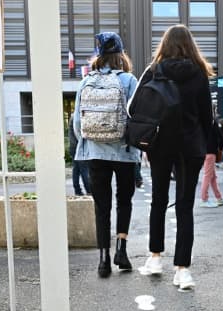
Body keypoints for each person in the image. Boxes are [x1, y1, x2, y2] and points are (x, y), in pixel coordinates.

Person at [135, 24, 214, 291]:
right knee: (184, 206)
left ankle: (155, 258)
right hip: (191, 146)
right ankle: (182, 271)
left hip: (159, 144)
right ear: (191, 45)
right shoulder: (199, 73)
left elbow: (137, 108)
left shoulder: (154, 71)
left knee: (158, 200)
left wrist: (144, 144)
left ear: (164, 45)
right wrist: (209, 148)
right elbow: (207, 117)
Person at [73, 32, 140, 277]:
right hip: (124, 152)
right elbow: (136, 118)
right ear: (121, 53)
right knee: (124, 201)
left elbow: (77, 124)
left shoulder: (86, 80)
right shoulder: (130, 80)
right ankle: (121, 250)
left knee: (102, 206)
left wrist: (90, 143)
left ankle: (103, 260)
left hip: (95, 153)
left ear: (99, 54)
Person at [199, 116, 223, 208]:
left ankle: (219, 198)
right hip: (211, 151)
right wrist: (221, 147)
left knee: (212, 176)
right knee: (208, 175)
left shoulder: (200, 121)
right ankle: (204, 199)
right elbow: (221, 136)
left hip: (203, 150)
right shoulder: (213, 122)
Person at [68, 115, 91, 196]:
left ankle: (77, 191)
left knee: (76, 170)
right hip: (79, 147)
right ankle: (89, 191)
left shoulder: (73, 116)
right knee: (84, 169)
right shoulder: (77, 117)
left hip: (73, 147)